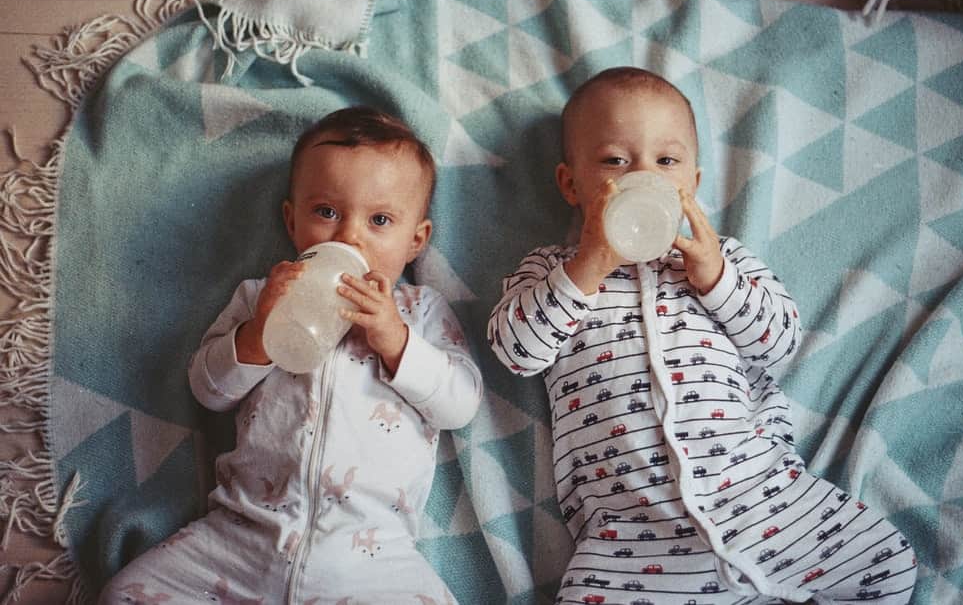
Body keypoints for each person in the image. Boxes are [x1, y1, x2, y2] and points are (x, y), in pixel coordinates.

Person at [487, 67, 917, 604]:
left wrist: (717, 278)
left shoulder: (722, 260)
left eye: (666, 161)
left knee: (888, 563)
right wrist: (587, 266)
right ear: (571, 184)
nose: (642, 175)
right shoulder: (553, 270)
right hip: (632, 532)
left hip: (761, 496)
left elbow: (779, 344)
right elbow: (516, 350)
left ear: (691, 182)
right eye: (615, 160)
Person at [101, 107, 483, 604]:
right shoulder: (260, 296)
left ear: (416, 240)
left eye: (380, 220)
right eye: (326, 212)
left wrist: (394, 339)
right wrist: (260, 331)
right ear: (291, 219)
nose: (349, 237)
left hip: (369, 552)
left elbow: (460, 404)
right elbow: (207, 390)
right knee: (123, 594)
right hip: (241, 534)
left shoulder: (420, 311)